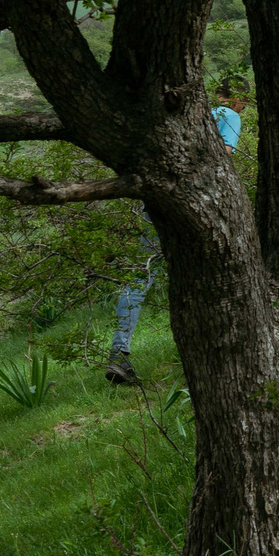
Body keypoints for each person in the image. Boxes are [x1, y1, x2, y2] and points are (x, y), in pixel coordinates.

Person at [106, 85, 245, 386]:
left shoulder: (192, 112)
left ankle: (118, 353)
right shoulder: (230, 116)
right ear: (238, 98)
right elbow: (225, 156)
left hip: (154, 201)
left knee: (141, 276)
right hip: (193, 203)